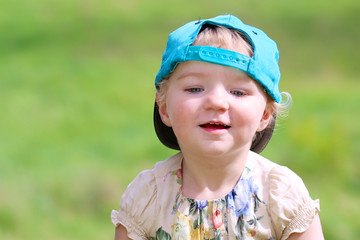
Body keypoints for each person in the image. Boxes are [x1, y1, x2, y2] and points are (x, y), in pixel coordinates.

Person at [111, 15, 324, 240]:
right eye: (194, 89)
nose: (216, 102)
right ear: (164, 107)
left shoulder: (280, 195)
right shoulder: (148, 198)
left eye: (238, 92)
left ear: (265, 115)